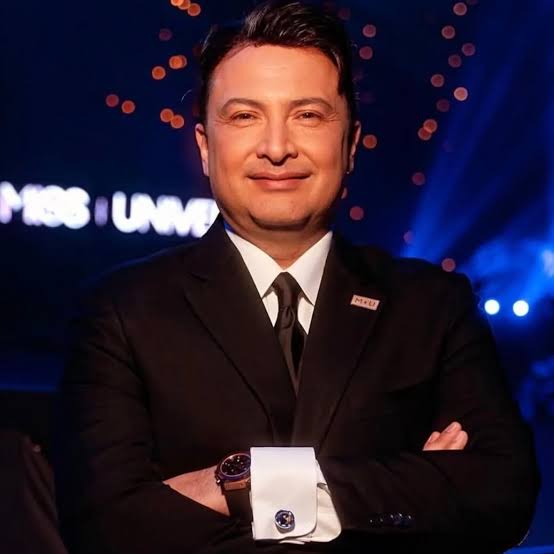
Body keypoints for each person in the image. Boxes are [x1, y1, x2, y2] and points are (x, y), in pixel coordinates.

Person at [53, 1, 540, 553]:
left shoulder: (432, 305)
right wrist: (408, 489)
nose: (277, 148)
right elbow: (106, 528)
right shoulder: (121, 311)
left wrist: (235, 486)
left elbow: (502, 495)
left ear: (350, 144)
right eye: (245, 116)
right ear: (205, 147)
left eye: (308, 115)